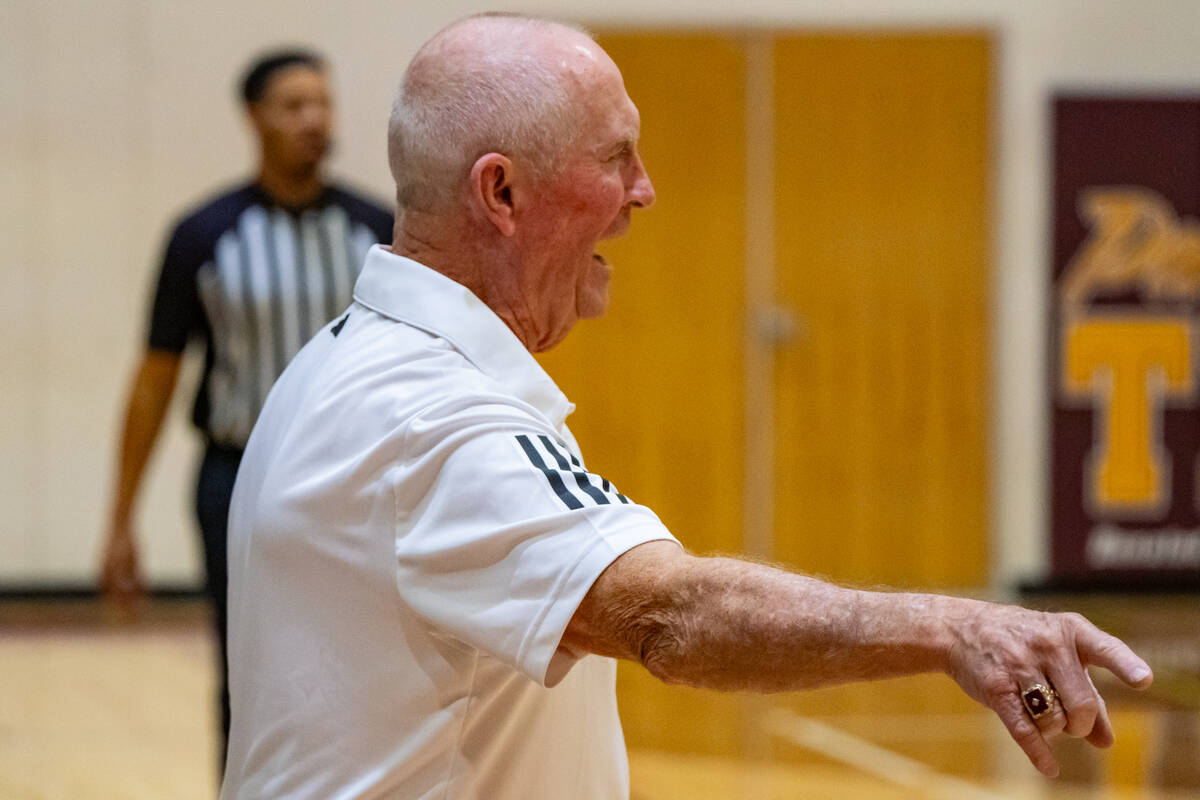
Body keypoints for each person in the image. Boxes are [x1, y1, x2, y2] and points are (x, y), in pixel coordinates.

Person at [220, 14, 1153, 799]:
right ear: (501, 191)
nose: (645, 190)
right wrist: (958, 630)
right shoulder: (430, 415)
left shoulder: (349, 356)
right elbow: (671, 616)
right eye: (615, 157)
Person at [98, 48, 393, 765]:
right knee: (248, 667)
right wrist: (121, 521)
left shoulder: (379, 231)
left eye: (323, 103)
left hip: (357, 472)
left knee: (366, 661)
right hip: (238, 478)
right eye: (294, 105)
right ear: (254, 118)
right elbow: (156, 379)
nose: (315, 120)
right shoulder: (203, 235)